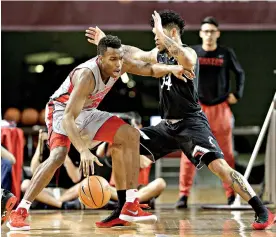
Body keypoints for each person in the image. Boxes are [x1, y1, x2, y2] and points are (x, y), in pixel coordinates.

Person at [86, 10, 275, 230]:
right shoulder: (161, 55)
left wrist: (162, 34)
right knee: (120, 144)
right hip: (167, 126)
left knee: (221, 168)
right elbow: (133, 53)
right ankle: (125, 207)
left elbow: (184, 57)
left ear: (172, 32)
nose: (155, 37)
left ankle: (262, 211)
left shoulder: (189, 53)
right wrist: (105, 42)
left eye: (158, 33)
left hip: (191, 123)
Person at [7, 34, 187, 231]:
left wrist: (173, 69)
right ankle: (20, 211)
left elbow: (150, 69)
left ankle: (128, 205)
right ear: (100, 59)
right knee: (58, 155)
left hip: (87, 112)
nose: (118, 64)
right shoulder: (87, 75)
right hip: (61, 110)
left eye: (120, 58)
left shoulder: (119, 64)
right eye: (113, 59)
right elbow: (68, 117)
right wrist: (83, 150)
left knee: (130, 135)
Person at [176, 16, 245, 208]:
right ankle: (183, 195)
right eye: (205, 31)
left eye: (212, 31)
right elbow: (179, 72)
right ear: (200, 33)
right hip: (197, 109)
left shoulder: (225, 53)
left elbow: (240, 73)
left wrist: (237, 94)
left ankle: (232, 194)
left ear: (218, 33)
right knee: (189, 153)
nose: (209, 35)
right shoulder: (194, 52)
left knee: (226, 154)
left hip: (220, 108)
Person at [21, 129, 84, 210]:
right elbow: (34, 171)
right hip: (47, 191)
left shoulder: (75, 148)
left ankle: (52, 203)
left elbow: (76, 178)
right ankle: (62, 205)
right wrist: (40, 143)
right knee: (25, 184)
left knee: (85, 184)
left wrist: (61, 152)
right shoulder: (45, 146)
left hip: (67, 192)